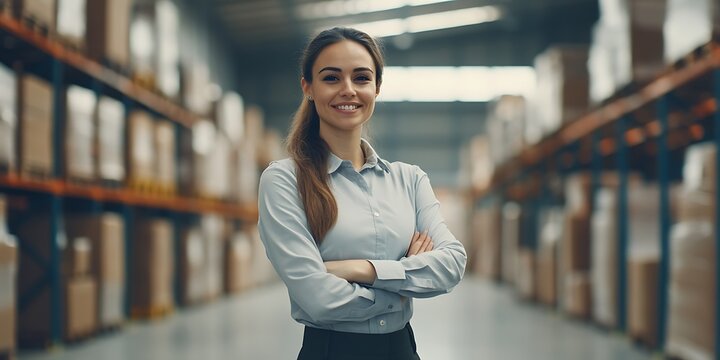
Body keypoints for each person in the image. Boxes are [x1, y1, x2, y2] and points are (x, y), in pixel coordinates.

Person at [257, 27, 467, 360]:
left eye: (361, 78)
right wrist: (402, 284)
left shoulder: (409, 180)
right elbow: (316, 297)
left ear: (377, 88)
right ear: (307, 87)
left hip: (402, 350)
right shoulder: (284, 181)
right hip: (330, 351)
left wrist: (362, 269)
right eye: (331, 78)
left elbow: (452, 264)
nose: (348, 90)